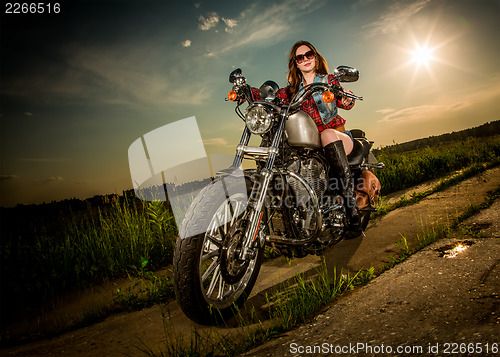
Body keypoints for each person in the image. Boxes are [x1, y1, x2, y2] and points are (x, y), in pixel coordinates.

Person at [260, 40, 362, 232]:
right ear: (296, 63)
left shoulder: (329, 81)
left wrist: (346, 95)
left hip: (337, 136)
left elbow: (345, 101)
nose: (305, 59)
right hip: (311, 144)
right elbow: (270, 96)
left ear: (315, 57)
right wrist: (247, 92)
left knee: (327, 134)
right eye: (300, 57)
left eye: (309, 55)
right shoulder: (291, 91)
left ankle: (351, 209)